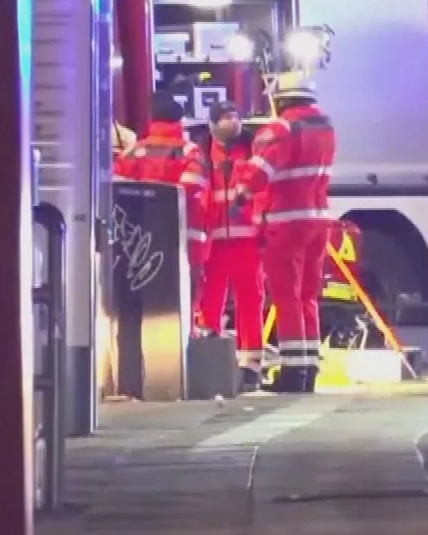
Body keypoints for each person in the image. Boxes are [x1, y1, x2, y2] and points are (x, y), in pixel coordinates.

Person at [234, 72, 337, 393]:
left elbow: (259, 174)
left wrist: (240, 190)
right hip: (318, 220)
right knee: (308, 296)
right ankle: (308, 368)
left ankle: (292, 374)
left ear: (280, 99)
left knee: (286, 297)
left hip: (285, 222)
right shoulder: (325, 126)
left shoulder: (280, 129)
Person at [198, 102, 267, 384]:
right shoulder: (202, 152)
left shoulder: (250, 150)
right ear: (213, 123)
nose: (233, 122)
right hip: (214, 239)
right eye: (226, 117)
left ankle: (251, 364)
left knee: (250, 299)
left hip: (246, 238)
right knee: (210, 300)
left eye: (235, 116)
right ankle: (208, 358)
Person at [115, 88, 210, 276]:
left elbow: (117, 188)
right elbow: (192, 186)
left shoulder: (132, 151)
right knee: (185, 290)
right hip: (183, 233)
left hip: (142, 236)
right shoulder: (190, 151)